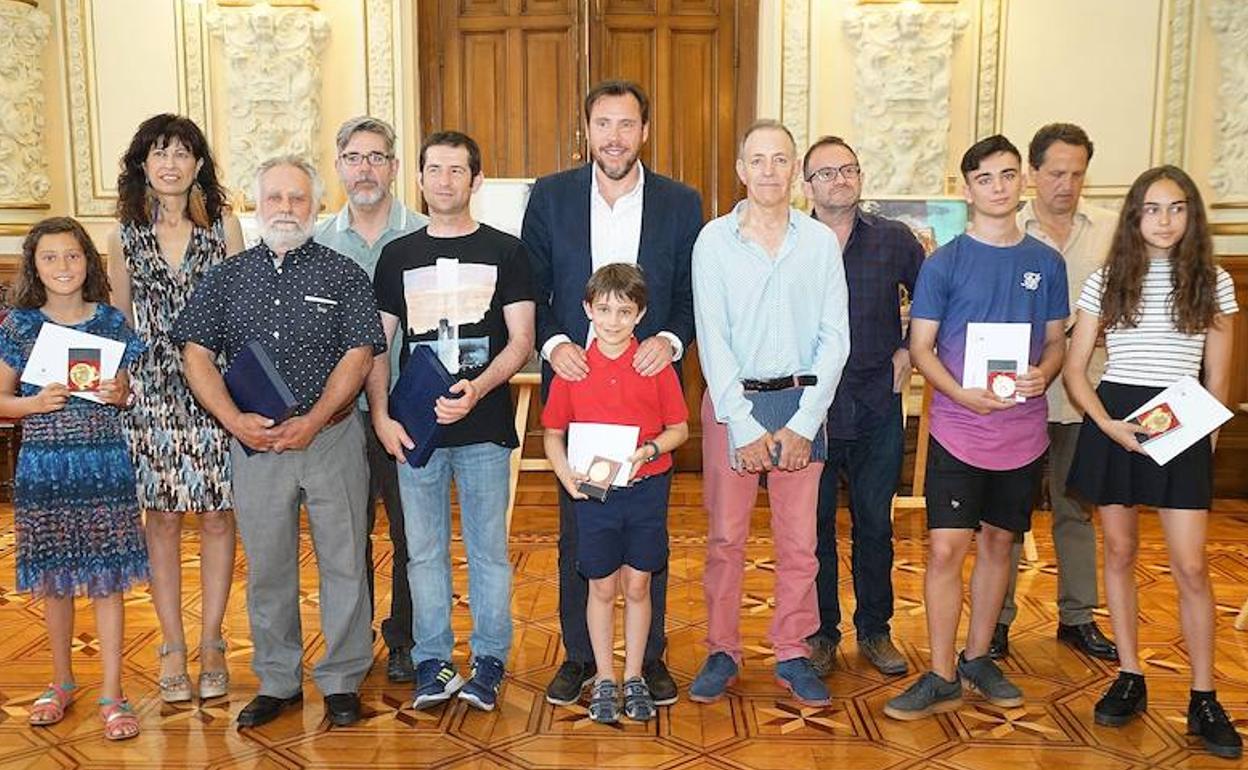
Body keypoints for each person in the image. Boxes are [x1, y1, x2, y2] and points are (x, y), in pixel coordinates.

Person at [175, 156, 385, 728]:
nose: (286, 209)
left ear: (315, 206)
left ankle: (342, 679)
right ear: (256, 205)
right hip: (257, 446)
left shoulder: (344, 274)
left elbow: (360, 354)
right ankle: (278, 680)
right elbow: (195, 353)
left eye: (297, 199)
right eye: (275, 199)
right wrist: (233, 421)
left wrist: (314, 419)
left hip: (331, 441)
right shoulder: (226, 276)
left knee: (344, 563)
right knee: (268, 567)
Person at [522, 79, 702, 707]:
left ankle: (646, 662)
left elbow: (687, 297)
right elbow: (532, 290)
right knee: (582, 524)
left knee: (648, 529)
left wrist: (672, 343)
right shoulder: (550, 197)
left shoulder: (682, 202)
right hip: (578, 383)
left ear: (644, 132)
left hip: (648, 390)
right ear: (588, 130)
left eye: (627, 125)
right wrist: (554, 347)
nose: (615, 137)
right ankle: (583, 659)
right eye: (604, 124)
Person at [885, 135, 1068, 721]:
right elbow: (921, 346)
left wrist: (1044, 372)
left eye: (1008, 175)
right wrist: (958, 391)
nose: (998, 186)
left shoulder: (1046, 263)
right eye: (985, 177)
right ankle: (939, 672)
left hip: (1022, 434)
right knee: (945, 549)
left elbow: (1058, 340)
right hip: (959, 431)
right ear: (968, 188)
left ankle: (977, 656)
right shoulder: (945, 263)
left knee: (999, 544)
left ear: (1023, 183)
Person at [1063, 166, 1241, 759]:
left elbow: (1217, 377)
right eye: (1152, 209)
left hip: (1183, 419)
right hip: (1117, 418)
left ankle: (1203, 693)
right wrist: (1106, 424)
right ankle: (1131, 674)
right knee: (1119, 550)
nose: (1164, 220)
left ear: (1192, 216)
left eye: (1177, 208)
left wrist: (1203, 442)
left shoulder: (1212, 281)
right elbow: (1074, 365)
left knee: (1191, 567)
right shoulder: (1107, 280)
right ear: (1135, 215)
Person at [369, 131, 534, 712]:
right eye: (434, 169)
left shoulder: (507, 252)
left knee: (488, 549)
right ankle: (432, 661)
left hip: (484, 428)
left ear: (476, 179)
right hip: (415, 430)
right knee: (423, 551)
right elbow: (376, 347)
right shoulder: (397, 256)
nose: (444, 180)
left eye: (456, 170)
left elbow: (521, 342)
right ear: (419, 179)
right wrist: (383, 417)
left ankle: (489, 659)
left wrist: (478, 389)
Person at [689, 120, 850, 707]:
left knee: (800, 542)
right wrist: (745, 423)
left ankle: (792, 650)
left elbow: (836, 338)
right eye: (757, 160)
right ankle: (721, 650)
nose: (769, 171)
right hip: (735, 405)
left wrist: (804, 422)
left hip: (803, 403)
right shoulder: (712, 241)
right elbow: (712, 336)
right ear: (741, 170)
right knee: (726, 538)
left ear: (795, 172)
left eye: (780, 160)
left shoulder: (818, 243)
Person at [107, 114, 244, 702]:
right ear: (143, 164)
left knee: (217, 515)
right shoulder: (122, 235)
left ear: (198, 164)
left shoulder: (225, 228)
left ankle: (212, 641)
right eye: (159, 153)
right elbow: (119, 322)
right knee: (161, 520)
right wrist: (115, 387)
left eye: (182, 153)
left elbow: (241, 317)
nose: (170, 164)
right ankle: (171, 644)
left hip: (213, 386)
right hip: (150, 392)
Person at [0, 218, 148, 740]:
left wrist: (117, 394)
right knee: (55, 583)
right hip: (45, 466)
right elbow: (1, 399)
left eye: (72, 256)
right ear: (34, 267)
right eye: (50, 258)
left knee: (107, 584)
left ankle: (113, 691)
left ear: (89, 261)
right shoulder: (18, 325)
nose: (63, 267)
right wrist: (33, 403)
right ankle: (59, 682)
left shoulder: (110, 321)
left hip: (104, 464)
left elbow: (126, 393)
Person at [990, 123, 1117, 662]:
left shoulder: (1112, 231)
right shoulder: (1005, 229)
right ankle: (995, 621)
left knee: (1075, 505)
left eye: (1078, 174)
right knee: (1006, 511)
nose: (1066, 184)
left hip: (1088, 391)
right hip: (1020, 391)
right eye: (1056, 173)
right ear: (1033, 173)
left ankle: (1078, 616)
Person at [542, 264, 690, 723]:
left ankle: (634, 675)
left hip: (645, 490)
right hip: (593, 494)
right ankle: (604, 675)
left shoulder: (655, 365)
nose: (612, 320)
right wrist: (565, 475)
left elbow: (680, 429)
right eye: (603, 310)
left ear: (640, 314)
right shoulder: (574, 368)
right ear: (587, 309)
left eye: (623, 311)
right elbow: (551, 432)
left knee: (639, 584)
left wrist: (649, 450)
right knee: (602, 585)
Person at [802, 135, 923, 677]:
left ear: (861, 178)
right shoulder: (793, 240)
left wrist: (909, 351)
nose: (839, 179)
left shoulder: (894, 240)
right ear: (807, 186)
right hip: (811, 411)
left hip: (877, 405)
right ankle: (822, 634)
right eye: (826, 173)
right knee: (815, 529)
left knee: (875, 524)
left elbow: (933, 301)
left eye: (848, 169)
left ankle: (875, 631)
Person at [315, 116, 429, 683]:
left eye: (377, 157)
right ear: (338, 166)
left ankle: (404, 638)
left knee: (414, 534)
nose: (366, 168)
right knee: (345, 535)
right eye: (355, 157)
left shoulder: (425, 235)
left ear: (394, 167)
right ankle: (352, 640)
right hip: (335, 416)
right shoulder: (314, 243)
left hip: (408, 413)